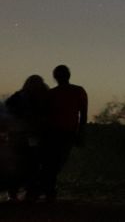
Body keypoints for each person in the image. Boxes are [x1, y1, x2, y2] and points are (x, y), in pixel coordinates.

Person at [39, 65, 87, 201]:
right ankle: (48, 190)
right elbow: (83, 114)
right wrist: (81, 132)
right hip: (62, 132)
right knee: (56, 162)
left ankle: (47, 189)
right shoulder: (77, 91)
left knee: (53, 163)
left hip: (56, 133)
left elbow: (45, 114)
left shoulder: (52, 94)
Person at [4, 75, 49, 202]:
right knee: (32, 165)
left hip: (19, 135)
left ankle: (14, 192)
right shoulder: (41, 99)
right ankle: (29, 192)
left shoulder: (18, 97)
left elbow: (8, 112)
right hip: (30, 136)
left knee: (18, 165)